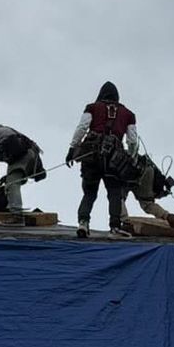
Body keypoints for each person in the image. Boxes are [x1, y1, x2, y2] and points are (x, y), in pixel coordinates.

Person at [66, 81, 139, 237]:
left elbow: (82, 127)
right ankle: (114, 227)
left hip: (91, 156)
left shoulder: (92, 107)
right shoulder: (128, 114)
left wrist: (72, 148)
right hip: (114, 159)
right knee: (114, 192)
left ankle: (83, 223)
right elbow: (132, 140)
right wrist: (131, 157)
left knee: (89, 192)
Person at [0, 124, 45, 211]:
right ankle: (13, 207)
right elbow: (29, 143)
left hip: (21, 156)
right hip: (30, 154)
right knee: (11, 180)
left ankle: (15, 212)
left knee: (12, 183)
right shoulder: (3, 130)